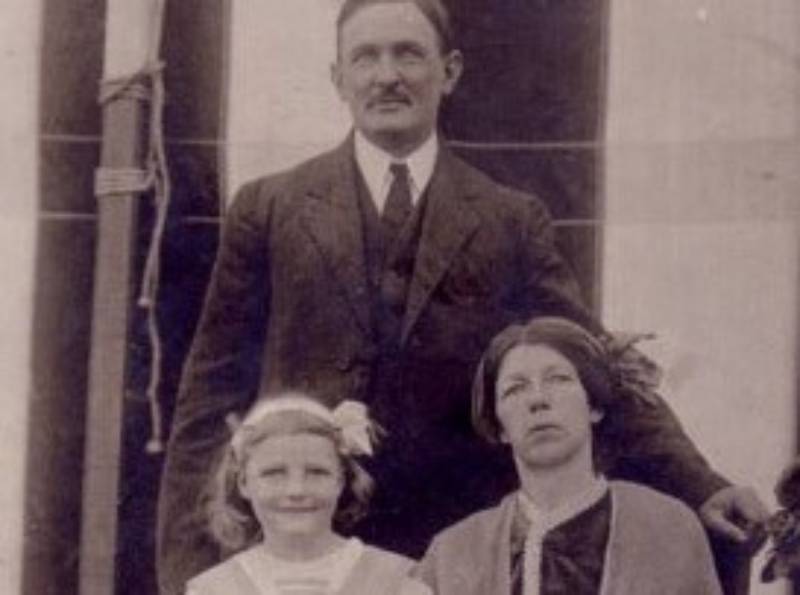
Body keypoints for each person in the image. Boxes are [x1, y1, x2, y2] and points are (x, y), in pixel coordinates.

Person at [157, 0, 767, 592]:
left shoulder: (508, 218)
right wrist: (189, 569)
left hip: (455, 555)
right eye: (366, 57)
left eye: (408, 54)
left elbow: (596, 365)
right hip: (307, 550)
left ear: (449, 71)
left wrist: (701, 483)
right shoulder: (269, 209)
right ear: (338, 78)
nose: (387, 75)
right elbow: (210, 398)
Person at [416, 317, 723, 594]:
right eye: (515, 389)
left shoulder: (667, 529)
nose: (538, 399)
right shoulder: (452, 554)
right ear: (500, 427)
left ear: (594, 405)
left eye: (558, 379)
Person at [186, 391, 431, 595]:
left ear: (341, 480)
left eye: (317, 472)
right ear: (243, 483)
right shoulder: (214, 589)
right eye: (274, 473)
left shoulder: (394, 582)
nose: (297, 490)